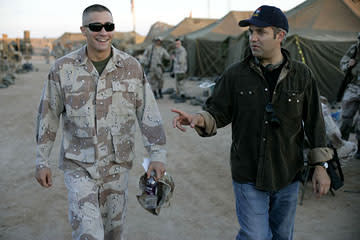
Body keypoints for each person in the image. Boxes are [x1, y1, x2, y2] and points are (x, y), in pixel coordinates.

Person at [172, 5, 332, 240]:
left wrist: (321, 166)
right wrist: (199, 119)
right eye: (251, 33)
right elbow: (217, 111)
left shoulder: (302, 75)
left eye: (260, 32)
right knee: (255, 236)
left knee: (282, 235)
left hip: (287, 173)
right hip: (248, 173)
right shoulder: (235, 75)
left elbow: (315, 122)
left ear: (280, 36)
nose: (253, 38)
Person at [35, 4, 167, 240]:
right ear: (84, 30)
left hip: (117, 167)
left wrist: (157, 154)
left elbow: (148, 112)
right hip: (79, 166)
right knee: (88, 232)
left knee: (114, 233)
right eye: (96, 26)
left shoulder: (131, 68)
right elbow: (48, 115)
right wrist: (42, 160)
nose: (103, 32)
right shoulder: (62, 69)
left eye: (109, 26)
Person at [339, 32, 360, 159]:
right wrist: (348, 64)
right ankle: (342, 145)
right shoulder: (354, 49)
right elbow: (342, 63)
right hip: (353, 87)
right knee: (345, 117)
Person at [171, 38, 188, 103]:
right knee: (178, 84)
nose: (177, 45)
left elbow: (181, 61)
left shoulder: (182, 50)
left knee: (181, 84)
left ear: (180, 43)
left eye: (178, 43)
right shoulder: (177, 50)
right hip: (177, 70)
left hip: (181, 70)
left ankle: (183, 97)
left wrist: (174, 58)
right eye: (176, 44)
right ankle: (180, 96)